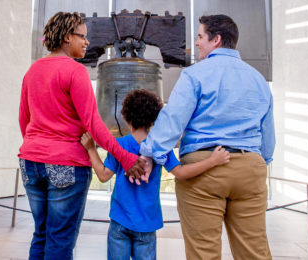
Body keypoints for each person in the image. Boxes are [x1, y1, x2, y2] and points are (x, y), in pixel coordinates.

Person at [139, 14, 276, 260]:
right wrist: (257, 162)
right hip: (250, 169)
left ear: (217, 39)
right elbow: (268, 138)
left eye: (200, 36)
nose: (198, 43)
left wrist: (150, 153)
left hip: (203, 170)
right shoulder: (258, 80)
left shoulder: (195, 75)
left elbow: (173, 121)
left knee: (204, 253)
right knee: (255, 252)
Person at [18, 12, 147, 260]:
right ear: (67, 37)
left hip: (30, 162)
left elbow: (24, 120)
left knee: (42, 235)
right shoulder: (74, 71)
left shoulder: (32, 71)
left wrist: (38, 148)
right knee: (60, 240)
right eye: (83, 37)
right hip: (66, 164)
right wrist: (126, 158)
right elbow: (93, 124)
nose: (87, 42)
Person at [80, 89, 230, 260]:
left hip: (120, 221)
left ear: (127, 118)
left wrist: (91, 149)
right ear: (154, 120)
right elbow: (180, 173)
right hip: (147, 224)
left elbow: (103, 175)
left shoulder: (119, 145)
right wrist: (212, 161)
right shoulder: (160, 147)